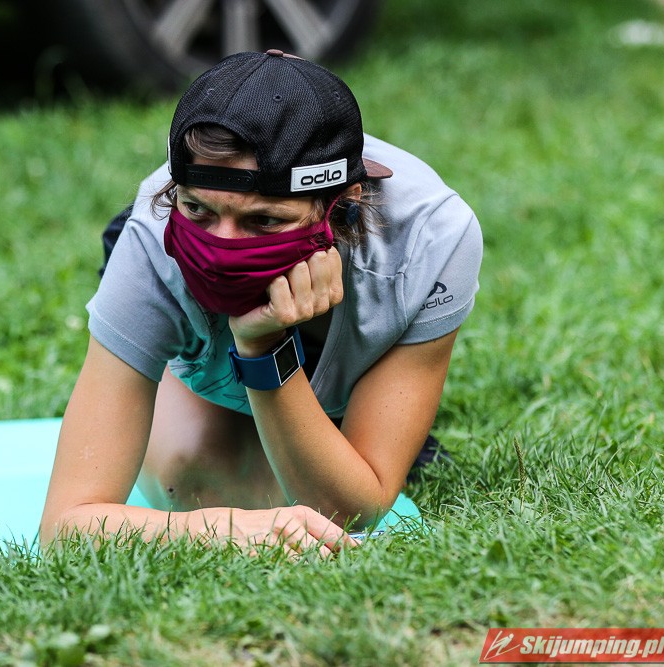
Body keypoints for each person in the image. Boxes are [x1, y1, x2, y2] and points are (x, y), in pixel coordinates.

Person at [40, 50, 483, 556]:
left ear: (344, 206)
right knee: (195, 480)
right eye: (198, 210)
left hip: (356, 300)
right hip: (190, 313)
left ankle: (337, 404)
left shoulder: (431, 240)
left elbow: (351, 511)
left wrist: (262, 346)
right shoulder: (151, 241)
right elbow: (64, 528)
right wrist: (220, 529)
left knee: (339, 487)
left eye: (265, 220)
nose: (222, 247)